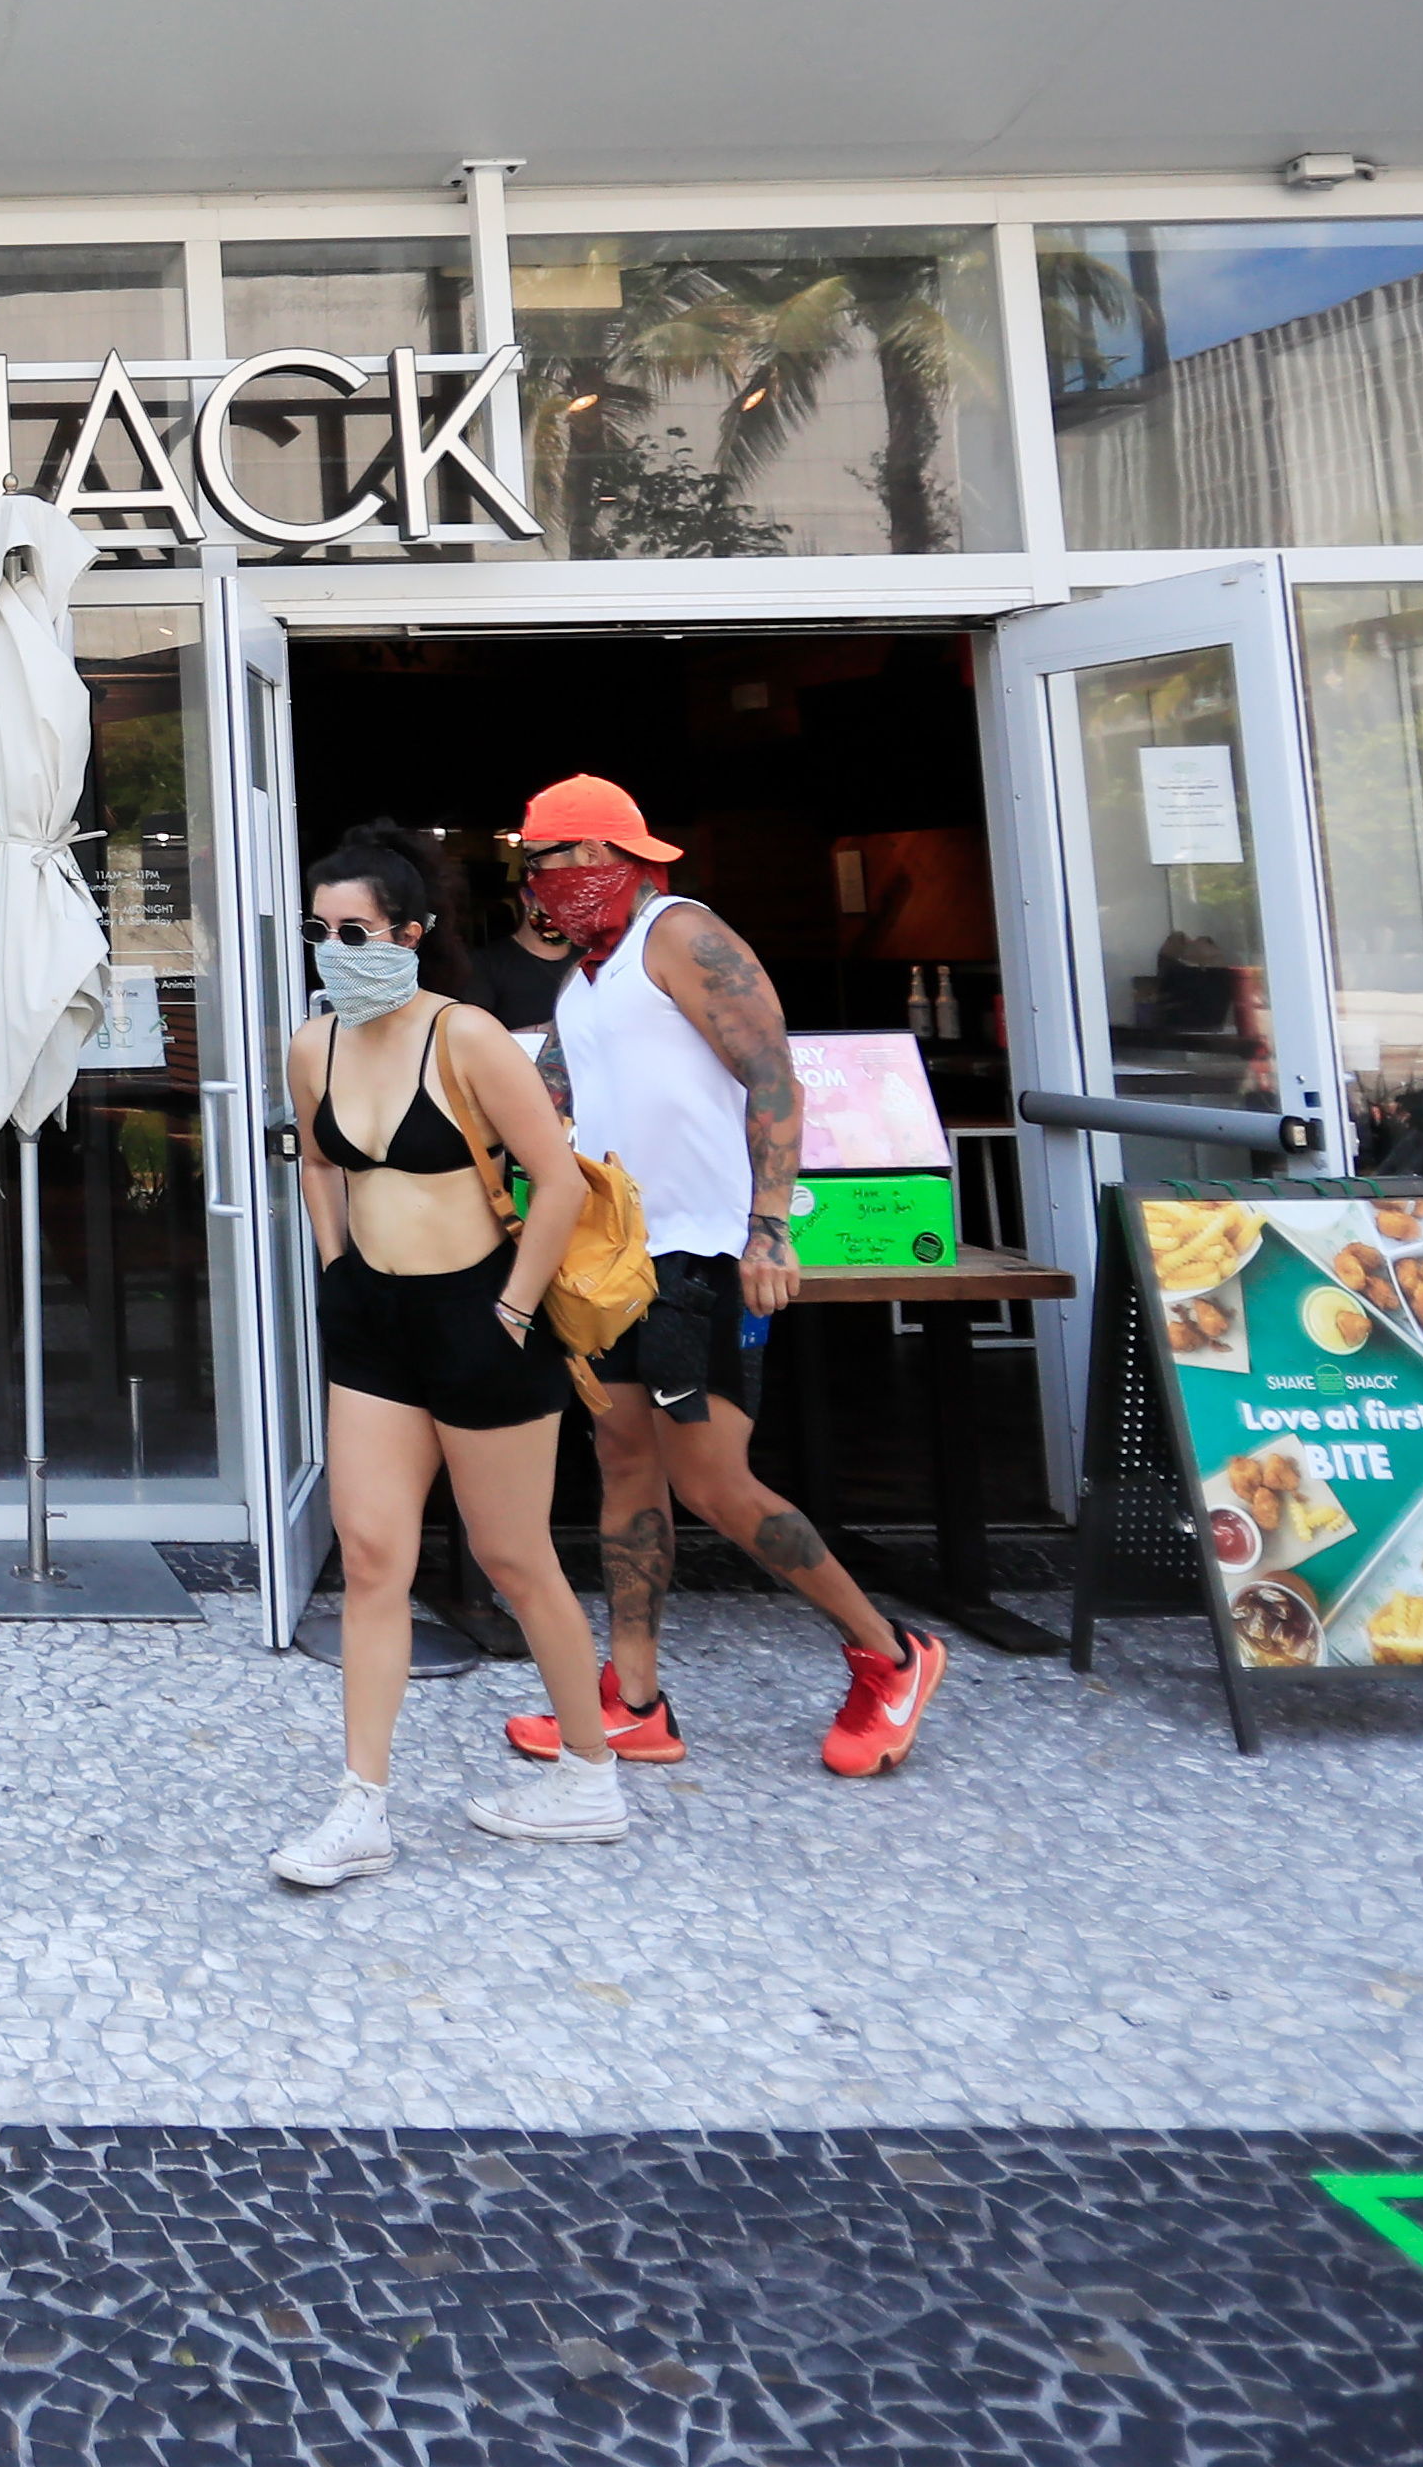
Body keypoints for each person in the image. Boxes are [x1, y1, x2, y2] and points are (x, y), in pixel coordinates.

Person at [495, 774, 949, 1778]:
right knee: (623, 1460)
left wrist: (769, 1226)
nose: (542, 880)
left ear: (609, 855)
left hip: (696, 1254)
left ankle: (889, 1653)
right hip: (613, 1259)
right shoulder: (586, 975)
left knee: (709, 1478)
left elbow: (771, 1070)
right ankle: (634, 1701)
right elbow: (552, 1091)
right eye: (534, 864)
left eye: (554, 858)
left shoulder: (681, 933)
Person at [268, 821, 636, 1888]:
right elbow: (318, 1163)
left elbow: (555, 1178)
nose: (334, 950)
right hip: (373, 1320)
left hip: (481, 1313)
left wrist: (513, 1309)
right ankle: (359, 1805)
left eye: (354, 931)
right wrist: (335, 1266)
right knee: (371, 1557)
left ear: (410, 933)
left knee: (513, 1554)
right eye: (319, 932)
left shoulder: (464, 1035)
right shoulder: (313, 1045)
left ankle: (588, 1772)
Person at [467, 894, 576, 1033]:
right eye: (552, 896)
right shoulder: (485, 964)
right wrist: (543, 1031)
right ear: (526, 897)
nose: (563, 908)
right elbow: (472, 1036)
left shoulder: (594, 958)